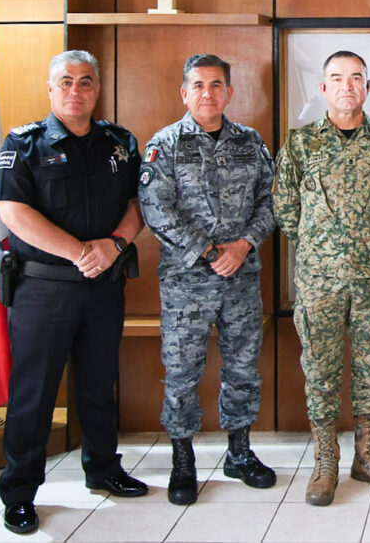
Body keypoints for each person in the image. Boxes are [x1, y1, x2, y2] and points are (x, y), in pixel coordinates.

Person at [0, 50, 148, 535]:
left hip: (104, 285)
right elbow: (13, 212)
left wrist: (115, 244)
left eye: (85, 82)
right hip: (44, 290)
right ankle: (19, 492)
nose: (75, 91)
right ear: (50, 88)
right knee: (34, 394)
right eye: (65, 82)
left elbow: (138, 202)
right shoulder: (25, 143)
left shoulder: (119, 142)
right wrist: (81, 251)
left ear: (97, 88)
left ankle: (102, 469)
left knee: (99, 386)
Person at [272, 51, 370, 506]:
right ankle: (326, 459)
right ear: (323, 88)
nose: (347, 86)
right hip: (319, 280)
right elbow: (285, 209)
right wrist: (322, 245)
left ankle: (368, 455)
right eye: (337, 78)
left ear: (367, 87)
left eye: (356, 78)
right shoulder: (300, 144)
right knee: (321, 369)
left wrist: (362, 241)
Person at [137, 54, 277, 506]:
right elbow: (156, 209)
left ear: (229, 93)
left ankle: (239, 452)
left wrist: (244, 245)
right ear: (184, 93)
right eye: (198, 86)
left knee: (242, 368)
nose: (208, 94)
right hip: (186, 283)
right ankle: (183, 459)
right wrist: (209, 250)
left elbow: (271, 202)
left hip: (241, 277)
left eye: (216, 85)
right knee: (182, 373)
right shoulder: (166, 144)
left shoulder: (250, 143)